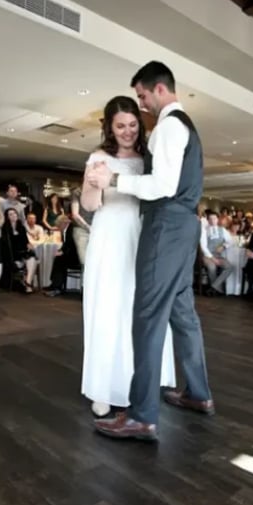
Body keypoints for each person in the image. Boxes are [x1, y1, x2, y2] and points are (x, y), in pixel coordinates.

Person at [88, 61, 213, 441]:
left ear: (159, 89)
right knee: (183, 314)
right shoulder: (187, 126)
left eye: (142, 96)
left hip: (166, 226)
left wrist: (114, 178)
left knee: (146, 315)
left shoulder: (169, 127)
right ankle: (198, 393)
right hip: (185, 227)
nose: (142, 104)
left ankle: (141, 415)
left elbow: (162, 186)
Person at [79, 95, 176, 418]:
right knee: (109, 309)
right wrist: (96, 181)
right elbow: (89, 204)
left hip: (141, 238)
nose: (128, 131)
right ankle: (105, 387)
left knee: (139, 309)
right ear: (109, 127)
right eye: (120, 126)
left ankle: (142, 382)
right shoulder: (98, 157)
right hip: (109, 238)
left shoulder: (148, 158)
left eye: (133, 125)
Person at [0, 208, 37, 293]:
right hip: (11, 254)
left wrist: (29, 245)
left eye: (15, 213)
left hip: (22, 252)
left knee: (32, 258)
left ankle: (27, 283)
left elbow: (26, 242)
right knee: (29, 259)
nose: (14, 215)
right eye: (11, 214)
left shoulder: (21, 227)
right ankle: (27, 285)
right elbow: (4, 246)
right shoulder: (5, 229)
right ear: (7, 217)